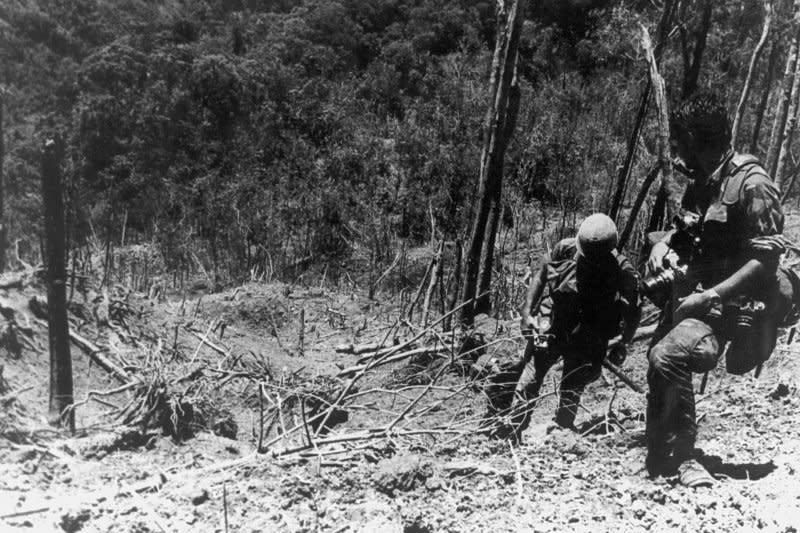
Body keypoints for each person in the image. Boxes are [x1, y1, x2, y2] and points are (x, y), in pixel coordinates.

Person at [644, 91, 785, 487]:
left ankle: (685, 458)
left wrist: (711, 296)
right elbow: (686, 231)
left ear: (698, 140)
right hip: (697, 296)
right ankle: (659, 451)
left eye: (682, 142)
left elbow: (765, 261)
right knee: (657, 359)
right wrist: (661, 244)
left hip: (731, 304)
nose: (676, 152)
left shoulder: (753, 184)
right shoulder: (703, 183)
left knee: (668, 356)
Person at [501, 213, 640, 440]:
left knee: (572, 385)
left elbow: (633, 309)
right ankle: (513, 430)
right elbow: (541, 275)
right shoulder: (565, 249)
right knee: (532, 373)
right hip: (552, 323)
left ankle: (561, 435)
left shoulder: (622, 270)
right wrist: (527, 312)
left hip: (587, 335)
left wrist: (624, 342)